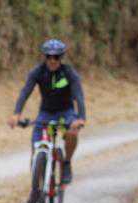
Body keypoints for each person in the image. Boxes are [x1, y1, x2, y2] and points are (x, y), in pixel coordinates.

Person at [8, 39, 86, 184]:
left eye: (56, 57)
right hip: (46, 113)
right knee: (36, 149)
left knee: (71, 133)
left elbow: (79, 96)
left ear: (60, 58)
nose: (52, 61)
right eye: (49, 57)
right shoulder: (37, 72)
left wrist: (81, 117)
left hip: (66, 112)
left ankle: (67, 163)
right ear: (45, 57)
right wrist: (16, 113)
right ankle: (36, 189)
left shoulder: (69, 73)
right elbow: (25, 92)